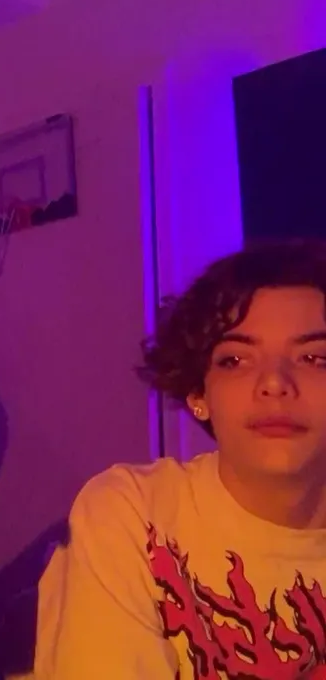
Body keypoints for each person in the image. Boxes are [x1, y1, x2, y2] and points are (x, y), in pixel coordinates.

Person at [30, 240, 326, 679]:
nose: (274, 383)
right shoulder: (133, 511)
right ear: (198, 393)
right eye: (235, 359)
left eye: (313, 358)